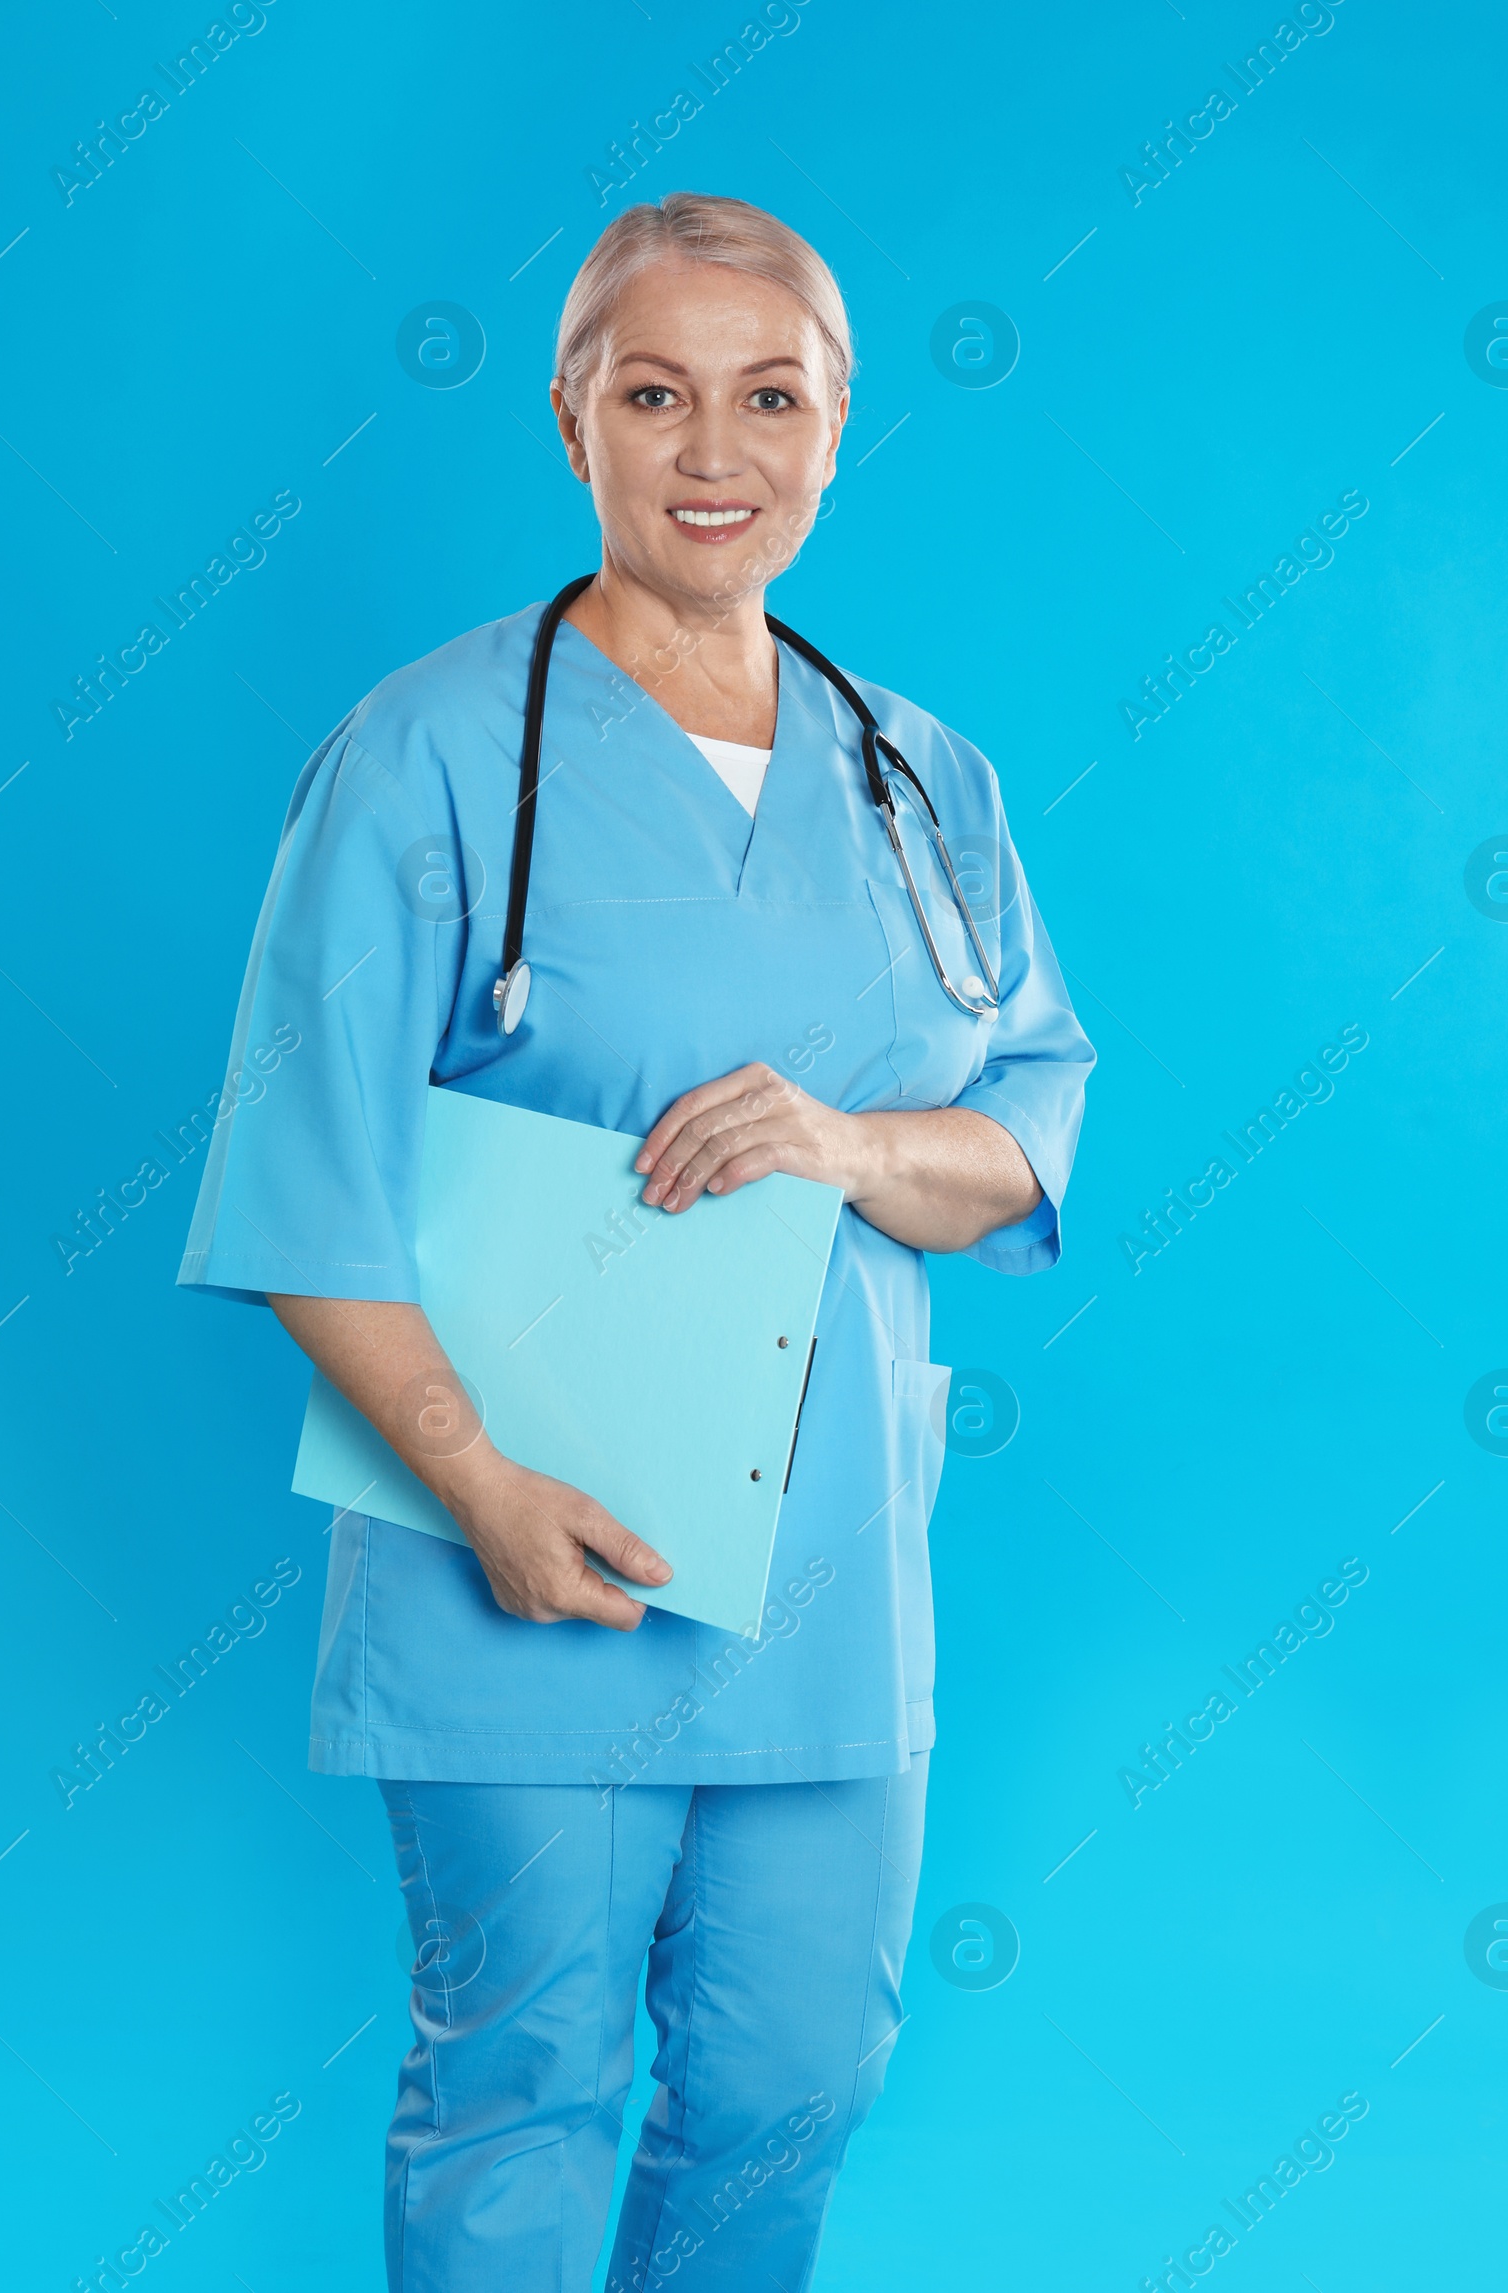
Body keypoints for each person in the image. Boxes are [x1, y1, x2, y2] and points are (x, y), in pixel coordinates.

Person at [180, 191, 1094, 2293]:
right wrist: (483, 1491)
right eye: (653, 391)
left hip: (833, 1575)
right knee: (523, 2079)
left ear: (835, 430)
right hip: (528, 1556)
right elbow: (299, 1183)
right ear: (567, 421)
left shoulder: (917, 782)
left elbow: (1017, 1145)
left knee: (795, 2078)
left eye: (767, 397)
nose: (714, 448)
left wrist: (852, 1140)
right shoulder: (423, 757)